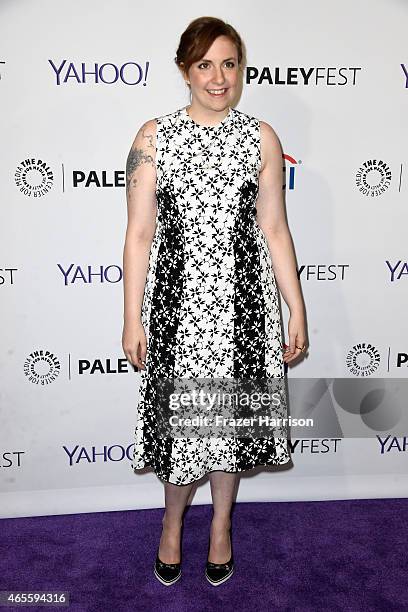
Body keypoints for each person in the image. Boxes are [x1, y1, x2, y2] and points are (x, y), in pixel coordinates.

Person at [122, 16, 307, 587]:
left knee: (229, 431)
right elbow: (137, 235)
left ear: (241, 68)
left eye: (229, 63)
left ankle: (222, 525)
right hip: (179, 308)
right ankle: (172, 525)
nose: (219, 77)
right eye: (205, 64)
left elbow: (275, 228)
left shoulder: (262, 137)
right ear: (185, 70)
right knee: (185, 431)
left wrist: (296, 307)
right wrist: (132, 317)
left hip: (246, 305)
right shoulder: (153, 137)